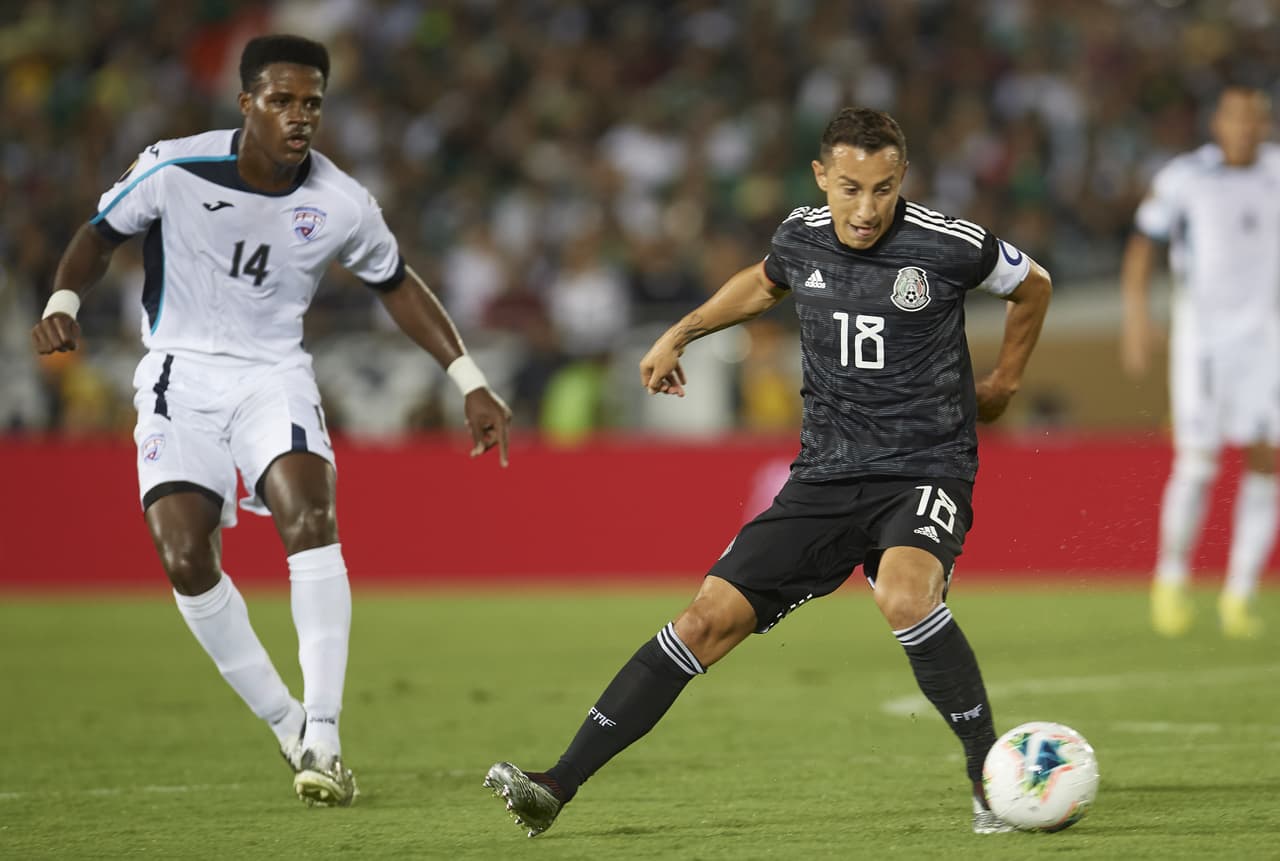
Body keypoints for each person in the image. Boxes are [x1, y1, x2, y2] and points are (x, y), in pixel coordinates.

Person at [484, 107, 1052, 836]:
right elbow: (763, 282)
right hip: (824, 475)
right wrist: (681, 330)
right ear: (822, 178)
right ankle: (555, 784)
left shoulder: (950, 245)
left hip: (924, 467)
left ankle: (985, 779)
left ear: (901, 176)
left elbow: (1032, 284)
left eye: (882, 188)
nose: (867, 208)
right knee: (702, 619)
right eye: (849, 188)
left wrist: (1003, 380)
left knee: (906, 597)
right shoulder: (800, 234)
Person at [30, 35, 512, 807]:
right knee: (185, 555)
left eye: (312, 103)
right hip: (177, 375)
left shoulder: (342, 201)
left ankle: (324, 729)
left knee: (310, 515)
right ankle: (286, 723)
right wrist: (62, 301)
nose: (299, 117)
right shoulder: (173, 166)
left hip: (273, 376)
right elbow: (98, 235)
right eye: (283, 100)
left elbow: (396, 283)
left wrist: (470, 380)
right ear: (246, 102)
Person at [1121, 84, 1280, 640]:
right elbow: (1143, 245)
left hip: (1266, 338)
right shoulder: (1184, 178)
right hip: (1203, 341)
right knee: (1199, 460)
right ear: (1218, 122)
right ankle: (1171, 578)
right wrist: (1138, 318)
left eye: (1256, 117)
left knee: (1267, 461)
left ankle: (1240, 594)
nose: (1246, 127)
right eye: (1236, 116)